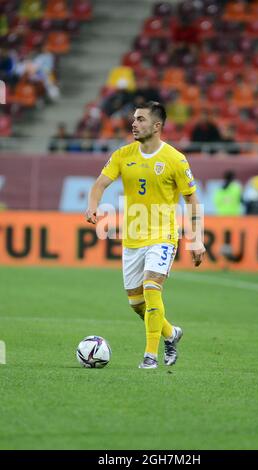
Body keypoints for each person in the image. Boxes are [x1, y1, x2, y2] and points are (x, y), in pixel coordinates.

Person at [85, 101, 205, 369]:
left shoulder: (175, 159)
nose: (134, 124)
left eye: (140, 119)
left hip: (163, 235)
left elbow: (192, 200)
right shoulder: (123, 155)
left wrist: (196, 239)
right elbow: (100, 184)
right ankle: (171, 334)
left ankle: (150, 357)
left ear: (156, 126)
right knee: (137, 303)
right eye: (134, 119)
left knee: (152, 290)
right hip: (133, 239)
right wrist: (92, 206)